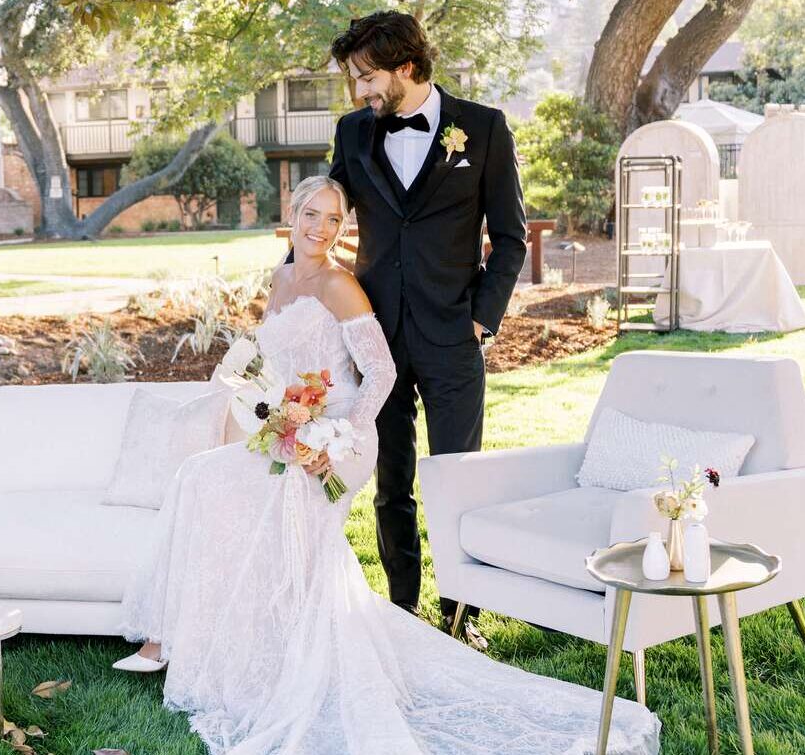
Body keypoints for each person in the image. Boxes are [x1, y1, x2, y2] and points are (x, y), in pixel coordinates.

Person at [111, 177, 658, 755]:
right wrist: (271, 413)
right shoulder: (280, 278)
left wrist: (336, 434)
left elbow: (382, 374)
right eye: (312, 215)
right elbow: (271, 365)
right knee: (202, 479)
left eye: (334, 220)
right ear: (292, 215)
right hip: (292, 429)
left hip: (341, 436)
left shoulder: (340, 286)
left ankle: (228, 651)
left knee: (247, 503)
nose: (321, 228)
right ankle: (183, 641)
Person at [325, 11, 528, 624]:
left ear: (406, 67)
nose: (359, 92)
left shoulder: (485, 129)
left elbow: (511, 238)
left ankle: (461, 615)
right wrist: (297, 290)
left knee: (457, 483)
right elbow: (323, 219)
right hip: (377, 341)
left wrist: (480, 320)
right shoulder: (353, 133)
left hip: (453, 338)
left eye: (365, 78)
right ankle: (403, 612)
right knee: (391, 486)